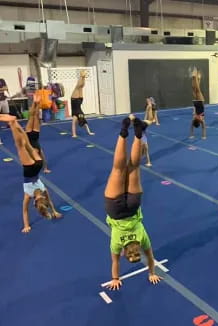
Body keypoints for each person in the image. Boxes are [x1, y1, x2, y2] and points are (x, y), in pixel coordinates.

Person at [104, 115, 162, 291]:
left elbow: (151, 258)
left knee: (134, 166)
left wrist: (152, 273)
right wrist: (115, 278)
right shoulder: (116, 244)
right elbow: (115, 262)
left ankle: (137, 135)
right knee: (118, 168)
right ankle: (123, 132)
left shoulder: (142, 239)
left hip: (133, 205)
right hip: (114, 208)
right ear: (123, 252)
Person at [0, 113, 62, 233]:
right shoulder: (28, 195)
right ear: (34, 203)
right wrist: (26, 225)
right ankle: (12, 124)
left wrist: (54, 211)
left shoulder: (43, 190)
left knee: (27, 143)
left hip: (38, 165)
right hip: (29, 169)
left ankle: (15, 123)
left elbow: (49, 202)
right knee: (20, 146)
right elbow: (25, 211)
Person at [25, 100, 51, 173]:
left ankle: (35, 102)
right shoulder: (39, 150)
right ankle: (37, 102)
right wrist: (45, 168)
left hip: (29, 134)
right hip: (34, 135)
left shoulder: (29, 151)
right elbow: (44, 159)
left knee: (32, 117)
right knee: (34, 116)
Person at [70, 70, 95, 138]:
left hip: (79, 101)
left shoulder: (82, 116)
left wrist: (90, 132)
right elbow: (74, 125)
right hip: (74, 100)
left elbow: (86, 125)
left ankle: (83, 77)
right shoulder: (76, 116)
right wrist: (74, 134)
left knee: (80, 87)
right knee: (78, 87)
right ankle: (82, 76)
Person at [190, 68, 207, 140]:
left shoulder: (199, 120)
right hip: (197, 102)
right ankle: (195, 77)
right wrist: (191, 135)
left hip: (199, 102)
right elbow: (191, 127)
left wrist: (203, 136)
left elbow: (203, 128)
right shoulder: (195, 119)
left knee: (196, 89)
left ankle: (196, 77)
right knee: (196, 89)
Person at [0, 78, 9, 145]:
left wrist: (2, 89)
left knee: (6, 112)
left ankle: (8, 124)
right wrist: (2, 89)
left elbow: (6, 88)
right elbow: (4, 89)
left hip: (4, 99)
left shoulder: (2, 80)